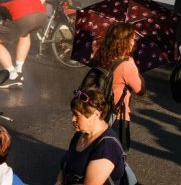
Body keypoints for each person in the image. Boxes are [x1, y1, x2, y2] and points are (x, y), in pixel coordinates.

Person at [90, 22, 145, 151]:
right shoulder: (126, 66)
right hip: (116, 117)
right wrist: (133, 64)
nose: (134, 41)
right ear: (124, 41)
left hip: (97, 111)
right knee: (116, 155)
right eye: (132, 37)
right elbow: (141, 89)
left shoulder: (100, 57)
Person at [57, 88, 126, 185]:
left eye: (77, 115)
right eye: (73, 113)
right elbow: (66, 165)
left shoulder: (106, 147)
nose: (72, 119)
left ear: (96, 114)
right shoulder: (80, 134)